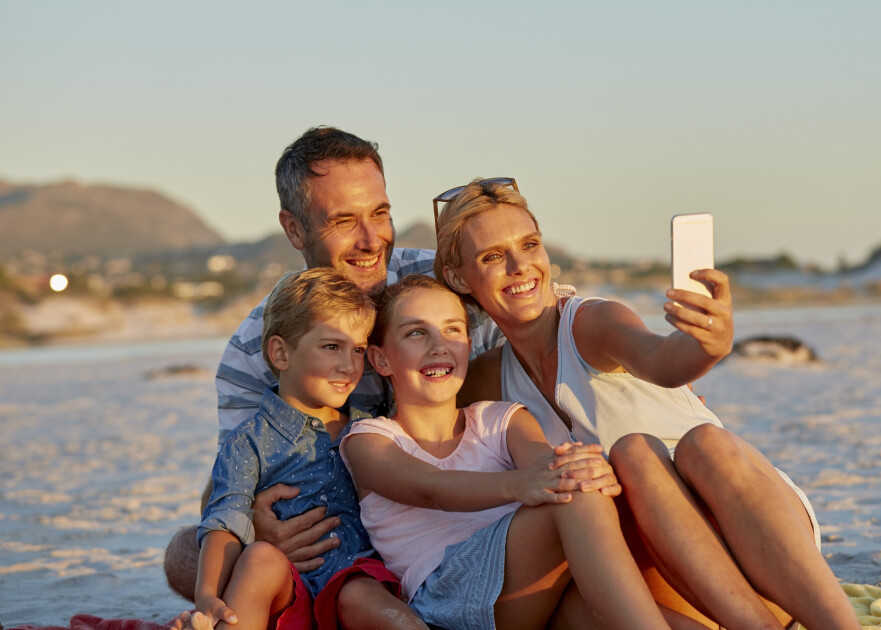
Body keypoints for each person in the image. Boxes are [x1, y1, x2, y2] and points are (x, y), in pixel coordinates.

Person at [434, 178, 863, 630]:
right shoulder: (484, 379)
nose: (520, 266)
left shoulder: (591, 322)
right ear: (459, 277)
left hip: (764, 550)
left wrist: (708, 345)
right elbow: (420, 437)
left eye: (529, 245)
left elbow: (663, 359)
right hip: (680, 586)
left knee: (670, 448)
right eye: (493, 256)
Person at [162, 126, 504, 607]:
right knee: (185, 553)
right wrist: (257, 527)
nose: (371, 240)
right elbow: (231, 475)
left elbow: (541, 321)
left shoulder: (443, 287)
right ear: (294, 229)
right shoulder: (255, 348)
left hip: (459, 511)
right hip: (339, 543)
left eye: (380, 213)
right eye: (344, 221)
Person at [340, 274, 671, 630]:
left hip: (530, 589)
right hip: (448, 592)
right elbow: (431, 487)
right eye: (416, 332)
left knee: (577, 488)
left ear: (468, 346)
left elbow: (547, 467)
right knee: (570, 493)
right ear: (381, 359)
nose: (439, 346)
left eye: (452, 330)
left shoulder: (500, 419)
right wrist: (524, 484)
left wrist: (588, 470)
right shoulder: (369, 440)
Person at [184, 268, 423, 630]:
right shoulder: (248, 441)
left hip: (355, 582)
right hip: (284, 594)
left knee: (359, 591)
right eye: (331, 347)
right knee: (260, 558)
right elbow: (225, 521)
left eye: (358, 350)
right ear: (281, 353)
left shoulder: (371, 431)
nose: (349, 365)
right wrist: (206, 597)